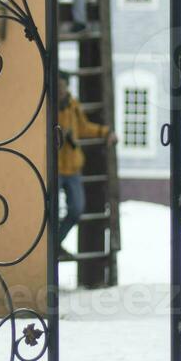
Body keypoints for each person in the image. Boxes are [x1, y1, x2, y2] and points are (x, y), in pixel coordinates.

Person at [56, 77, 118, 251]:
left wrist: (105, 132)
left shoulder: (73, 106)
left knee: (76, 209)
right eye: (58, 86)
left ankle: (55, 242)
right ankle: (49, 246)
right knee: (49, 211)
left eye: (63, 86)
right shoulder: (47, 107)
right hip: (54, 168)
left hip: (73, 167)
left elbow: (83, 128)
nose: (61, 90)